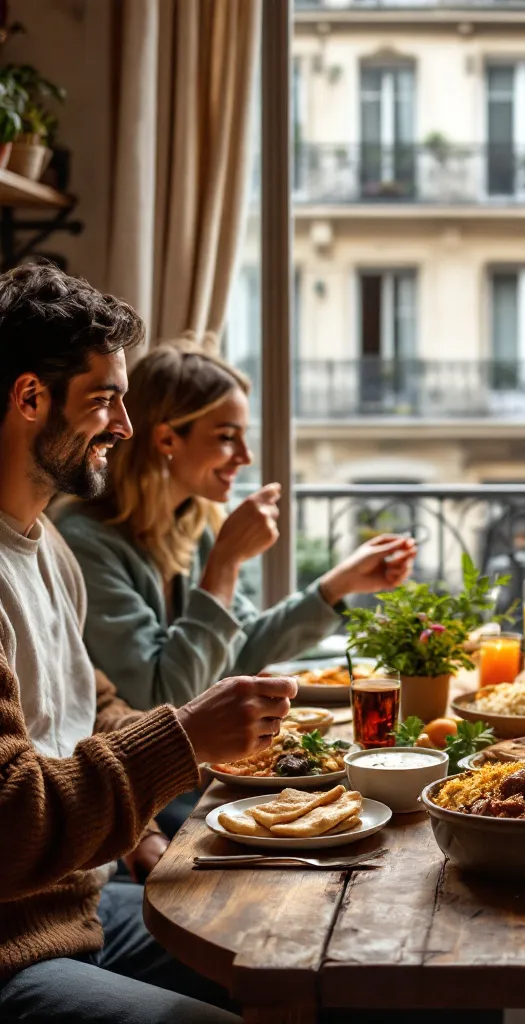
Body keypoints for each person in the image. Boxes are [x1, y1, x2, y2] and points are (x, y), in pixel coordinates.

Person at [0, 262, 298, 1023]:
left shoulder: (46, 550)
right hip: (14, 943)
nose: (125, 429)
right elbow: (9, 818)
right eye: (105, 401)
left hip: (84, 904)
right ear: (30, 398)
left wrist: (231, 744)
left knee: (309, 950)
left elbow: (93, 715)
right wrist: (184, 738)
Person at [56, 339, 417, 716]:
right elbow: (162, 699)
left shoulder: (194, 521)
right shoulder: (85, 541)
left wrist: (339, 585)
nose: (245, 457)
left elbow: (241, 651)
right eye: (227, 438)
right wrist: (224, 563)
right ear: (166, 439)